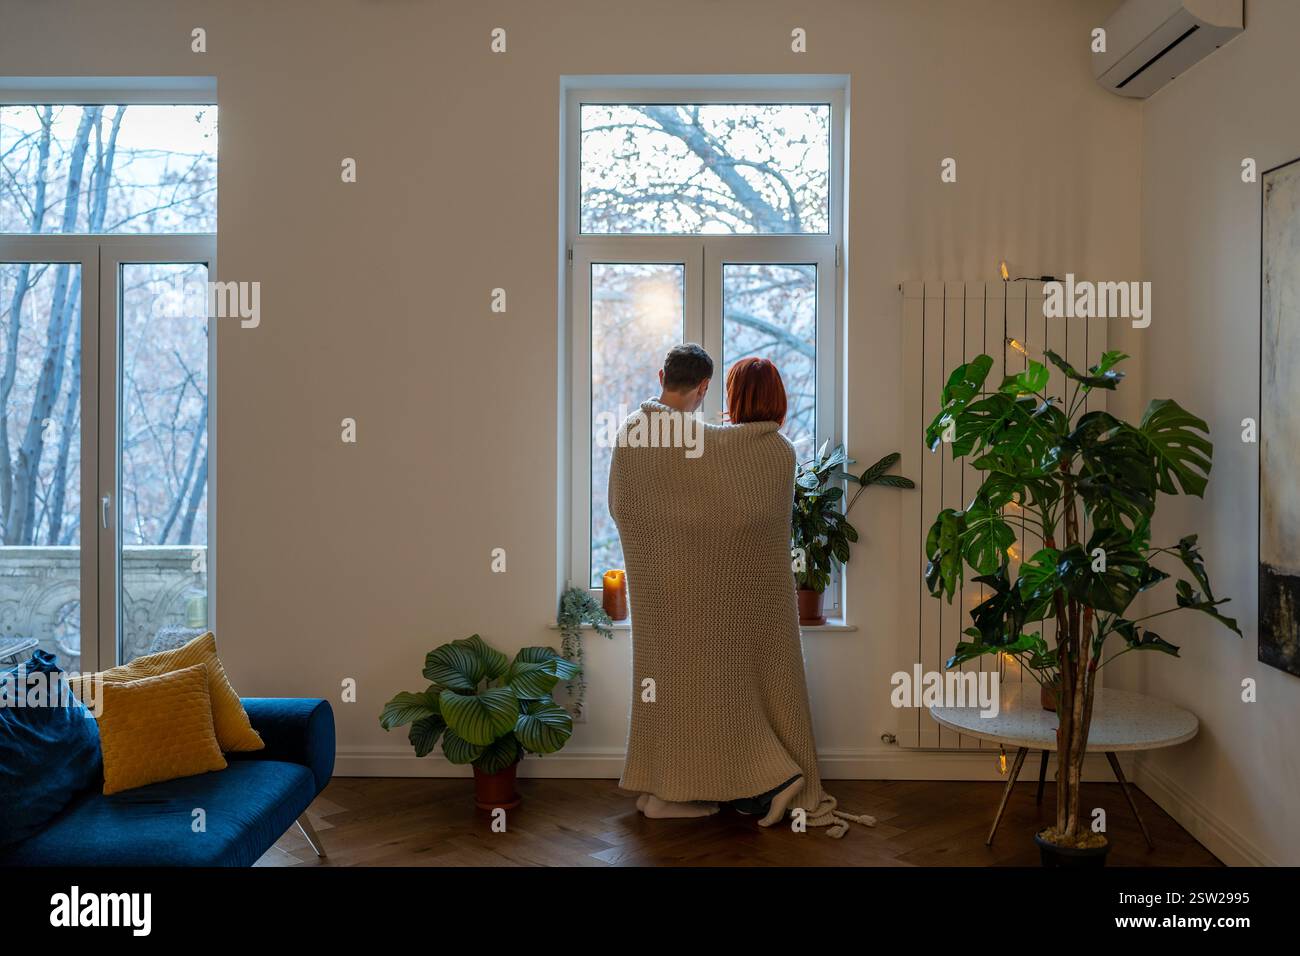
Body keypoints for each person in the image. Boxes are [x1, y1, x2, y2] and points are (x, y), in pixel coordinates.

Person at [607, 346, 872, 836]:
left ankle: (659, 788)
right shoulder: (771, 450)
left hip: (666, 597)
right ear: (706, 388)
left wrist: (667, 561)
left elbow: (625, 507)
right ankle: (684, 790)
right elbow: (748, 522)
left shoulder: (636, 433)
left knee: (667, 689)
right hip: (741, 606)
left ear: (663, 375)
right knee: (711, 692)